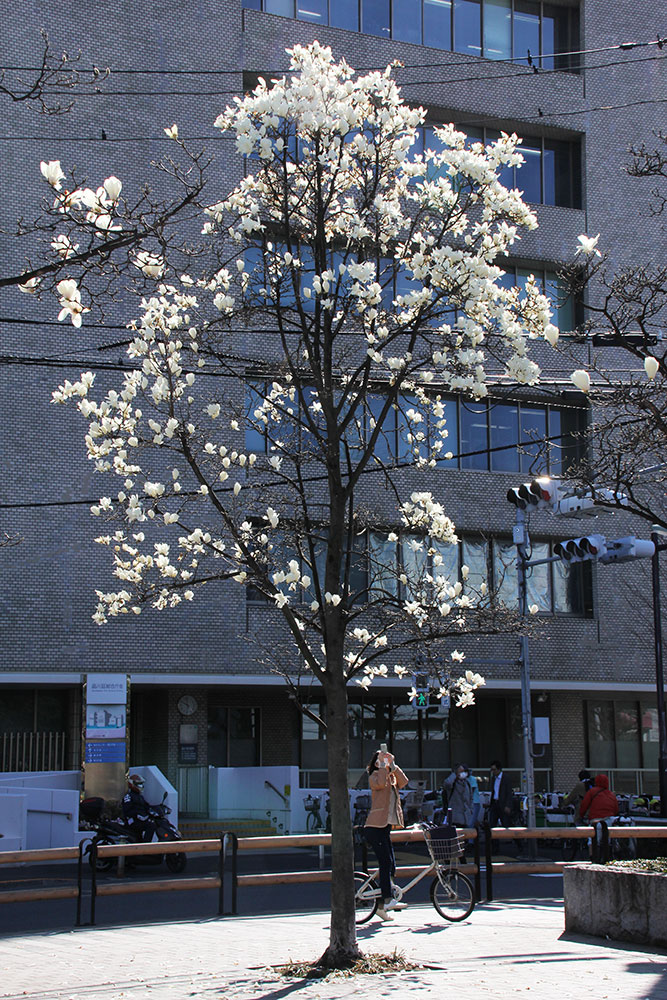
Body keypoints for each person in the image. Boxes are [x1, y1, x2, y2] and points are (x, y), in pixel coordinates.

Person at [364, 747, 409, 921]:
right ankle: (387, 898)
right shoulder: (374, 777)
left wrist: (393, 765)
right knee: (385, 861)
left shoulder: (390, 777)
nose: (383, 762)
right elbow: (380, 783)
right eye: (379, 760)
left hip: (385, 826)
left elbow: (404, 781)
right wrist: (383, 765)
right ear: (375, 763)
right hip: (374, 826)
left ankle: (382, 906)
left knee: (391, 864)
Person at [122, 773, 156, 843]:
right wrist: (137, 815)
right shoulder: (129, 796)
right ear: (132, 784)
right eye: (138, 784)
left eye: (141, 784)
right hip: (132, 821)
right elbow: (126, 810)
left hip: (140, 820)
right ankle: (146, 846)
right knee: (151, 826)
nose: (140, 786)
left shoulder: (140, 797)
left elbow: (147, 806)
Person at [487, 760, 513, 828]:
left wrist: (508, 805)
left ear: (499, 769)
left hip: (503, 804)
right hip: (494, 803)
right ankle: (494, 837)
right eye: (491, 770)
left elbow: (509, 792)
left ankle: (507, 837)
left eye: (494, 769)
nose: (493, 771)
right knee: (492, 823)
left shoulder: (506, 778)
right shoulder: (493, 779)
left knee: (505, 822)